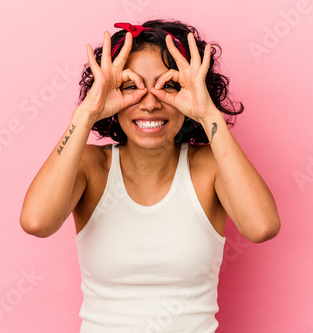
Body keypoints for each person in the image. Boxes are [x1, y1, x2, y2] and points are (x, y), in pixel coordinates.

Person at [20, 19, 280, 332]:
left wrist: (208, 112)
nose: (150, 103)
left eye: (168, 86)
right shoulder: (91, 166)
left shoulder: (210, 167)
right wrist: (86, 114)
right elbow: (37, 222)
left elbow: (262, 227)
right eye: (131, 87)